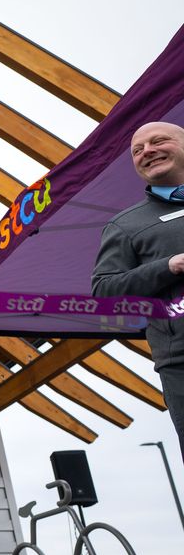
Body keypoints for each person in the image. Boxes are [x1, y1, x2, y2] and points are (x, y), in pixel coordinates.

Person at [92, 120, 184, 462]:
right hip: (181, 360)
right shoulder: (125, 225)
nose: (148, 151)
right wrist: (169, 266)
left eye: (159, 141)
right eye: (138, 150)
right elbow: (103, 291)